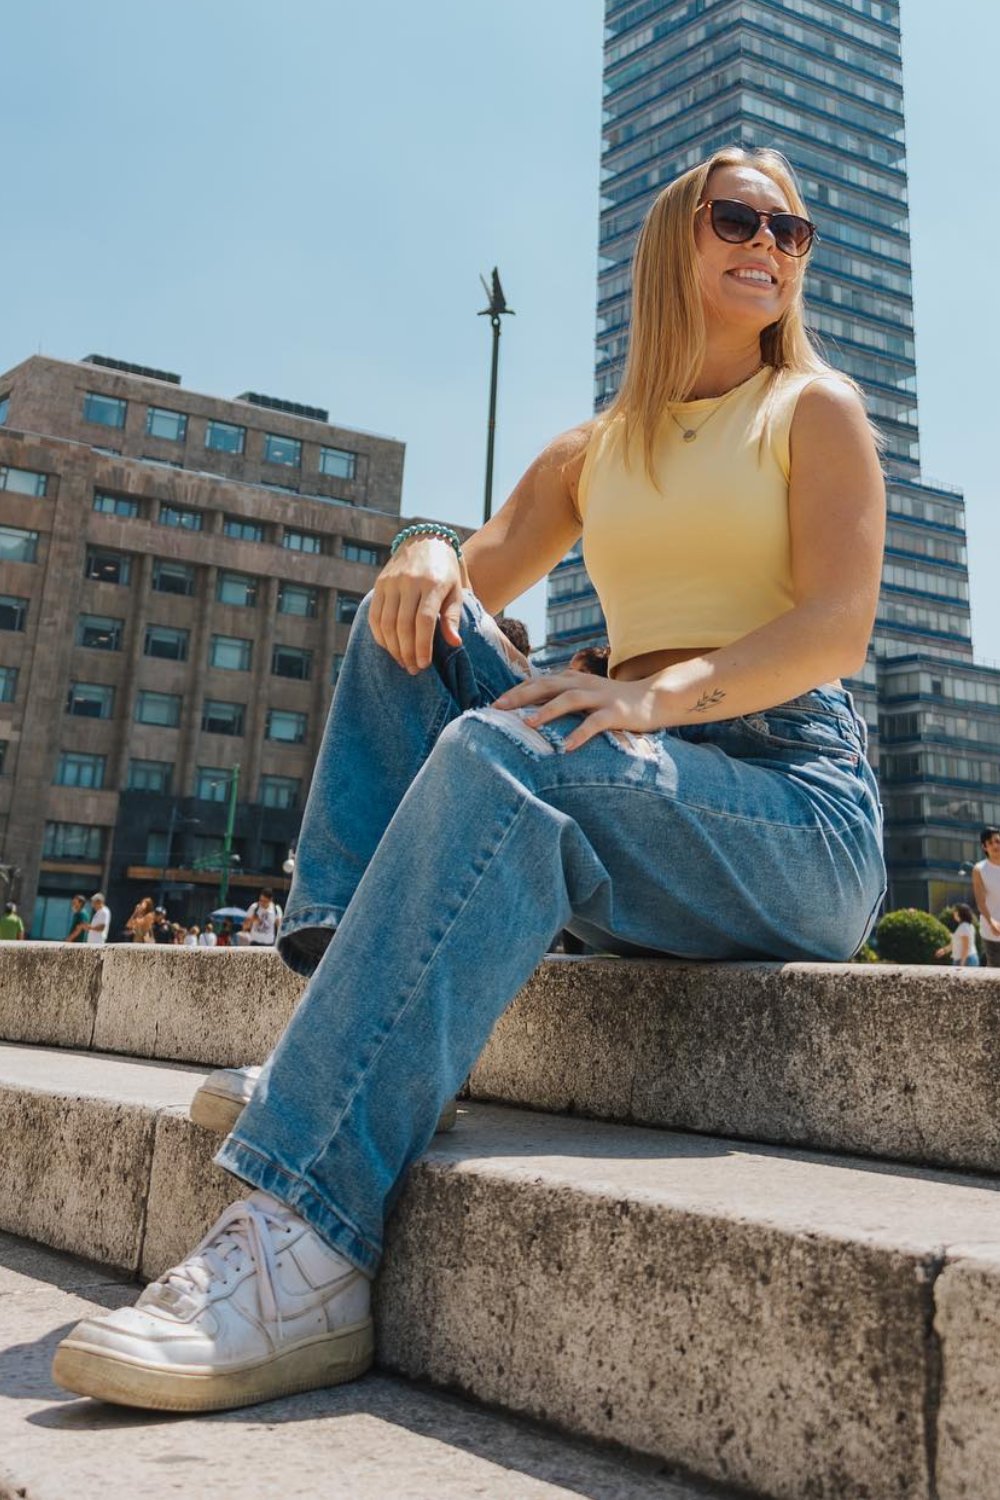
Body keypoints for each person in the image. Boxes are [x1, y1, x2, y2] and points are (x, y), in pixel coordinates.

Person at [52, 146, 887, 1413]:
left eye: (793, 228)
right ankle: (338, 1018)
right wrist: (424, 546)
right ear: (676, 239)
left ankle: (307, 1247)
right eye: (738, 217)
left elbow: (833, 627)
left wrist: (655, 695)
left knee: (521, 746)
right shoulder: (588, 452)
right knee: (401, 630)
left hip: (790, 805)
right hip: (631, 764)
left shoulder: (811, 409)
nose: (771, 243)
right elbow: (468, 580)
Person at [972, 827, 1000, 967]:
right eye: (990, 842)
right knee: (996, 973)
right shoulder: (979, 869)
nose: (995, 845)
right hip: (991, 931)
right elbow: (980, 902)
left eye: (998, 841)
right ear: (984, 847)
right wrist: (991, 922)